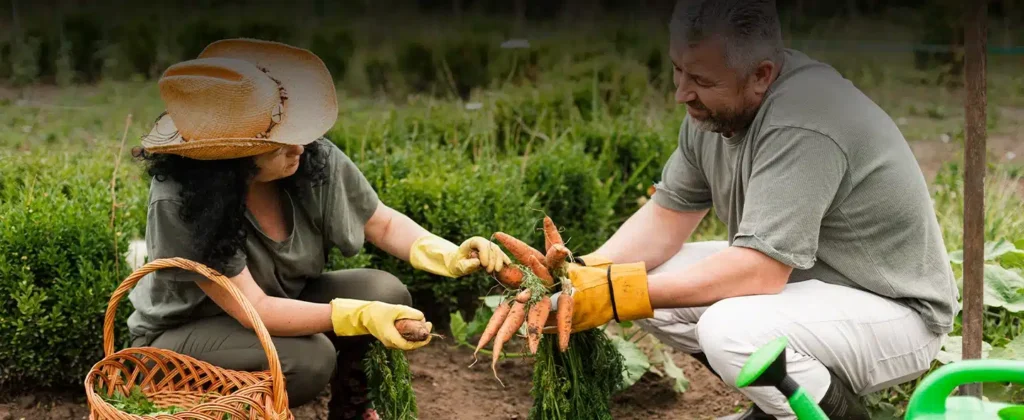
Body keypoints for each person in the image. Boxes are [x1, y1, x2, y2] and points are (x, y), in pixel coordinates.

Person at [551, 1, 960, 419]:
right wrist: (581, 275)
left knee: (727, 329)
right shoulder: (712, 110)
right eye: (678, 69)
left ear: (761, 75)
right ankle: (778, 407)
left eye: (699, 79)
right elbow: (664, 218)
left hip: (892, 309)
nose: (681, 93)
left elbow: (759, 272)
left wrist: (618, 293)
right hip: (809, 282)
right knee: (652, 277)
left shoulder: (805, 119)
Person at [125, 38, 511, 420]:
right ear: (231, 160)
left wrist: (448, 254)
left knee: (383, 290)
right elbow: (253, 310)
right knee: (308, 359)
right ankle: (230, 412)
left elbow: (382, 221)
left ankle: (351, 410)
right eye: (280, 145)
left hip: (275, 305)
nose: (300, 148)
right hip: (186, 337)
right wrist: (357, 316)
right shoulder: (183, 200)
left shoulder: (307, 157)